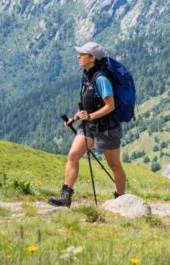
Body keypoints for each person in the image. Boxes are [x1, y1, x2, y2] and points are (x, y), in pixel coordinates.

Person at [47, 42, 127, 207]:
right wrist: (75, 118)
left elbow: (110, 106)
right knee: (73, 156)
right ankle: (66, 197)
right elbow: (87, 105)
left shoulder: (101, 79)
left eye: (82, 54)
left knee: (114, 164)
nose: (78, 57)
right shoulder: (86, 75)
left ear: (92, 58)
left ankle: (121, 199)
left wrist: (89, 116)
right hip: (89, 126)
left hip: (107, 128)